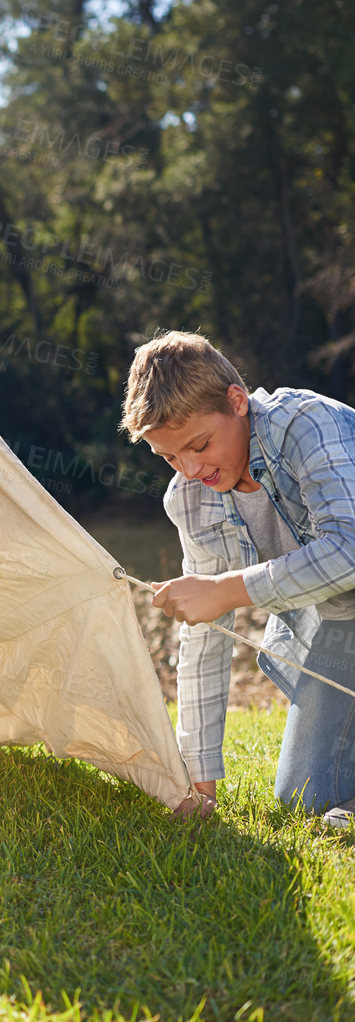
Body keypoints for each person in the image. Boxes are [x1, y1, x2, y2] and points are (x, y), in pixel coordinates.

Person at [125, 331, 355, 826]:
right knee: (306, 800)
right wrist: (199, 777)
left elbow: (349, 549)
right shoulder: (189, 498)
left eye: (199, 445)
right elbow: (205, 632)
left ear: (236, 402)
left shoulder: (305, 425)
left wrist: (226, 589)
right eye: (169, 457)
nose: (188, 470)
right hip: (342, 618)